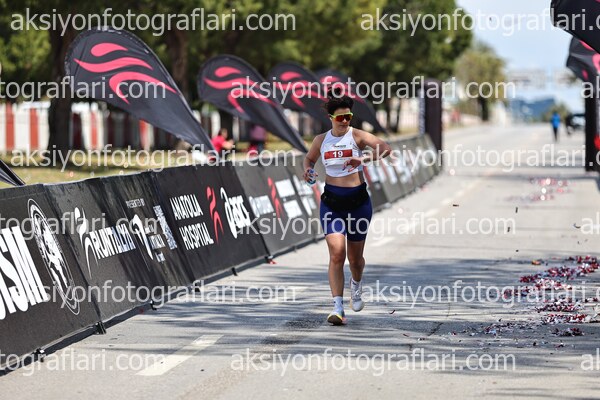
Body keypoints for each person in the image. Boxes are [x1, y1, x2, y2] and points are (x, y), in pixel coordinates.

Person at [303, 92, 391, 325]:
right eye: (340, 118)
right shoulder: (321, 140)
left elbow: (386, 149)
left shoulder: (357, 136)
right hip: (332, 203)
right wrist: (308, 170)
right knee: (336, 253)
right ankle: (338, 307)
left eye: (348, 117)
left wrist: (362, 159)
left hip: (358, 203)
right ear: (331, 118)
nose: (344, 121)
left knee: (355, 259)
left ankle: (357, 284)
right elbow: (309, 159)